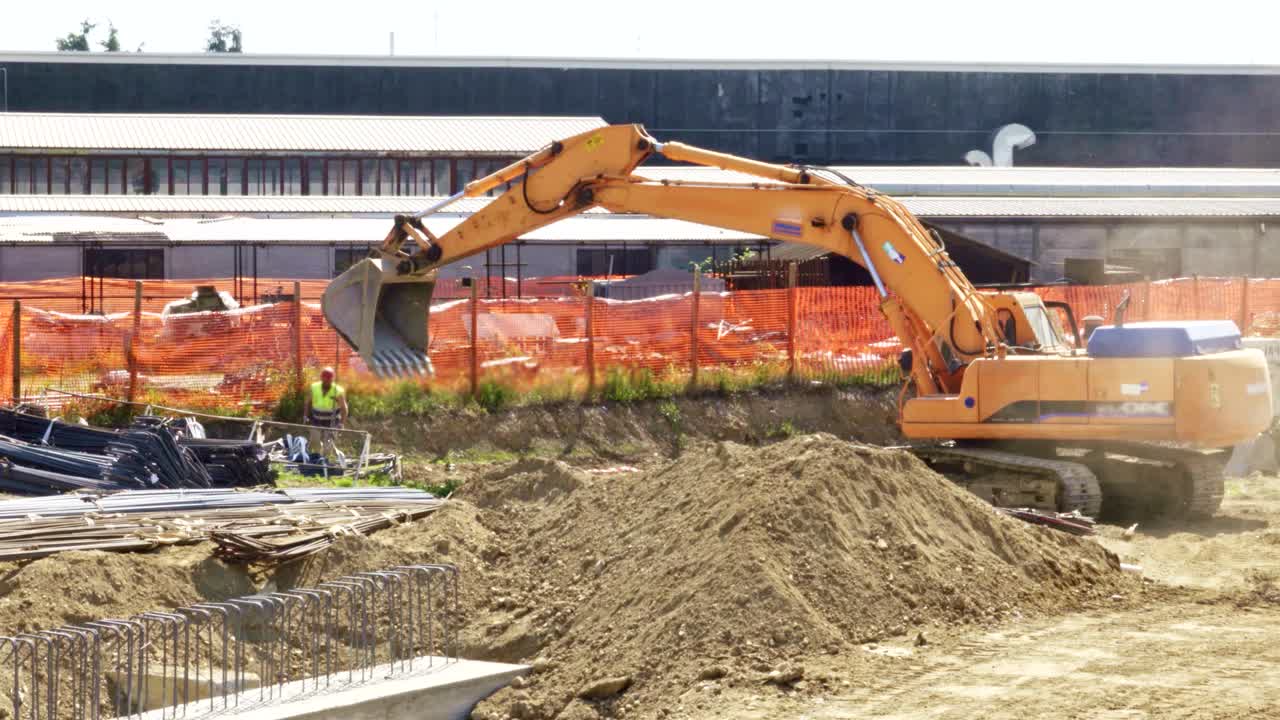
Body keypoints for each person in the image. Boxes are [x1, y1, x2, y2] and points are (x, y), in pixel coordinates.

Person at [302, 367, 348, 459]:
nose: (327, 381)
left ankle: (325, 461)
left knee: (329, 445)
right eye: (325, 379)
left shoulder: (338, 390)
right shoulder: (314, 387)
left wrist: (342, 423)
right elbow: (307, 402)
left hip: (332, 421)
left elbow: (344, 408)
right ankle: (317, 459)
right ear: (321, 378)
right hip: (316, 420)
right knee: (315, 441)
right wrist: (305, 416)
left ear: (332, 379)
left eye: (329, 380)